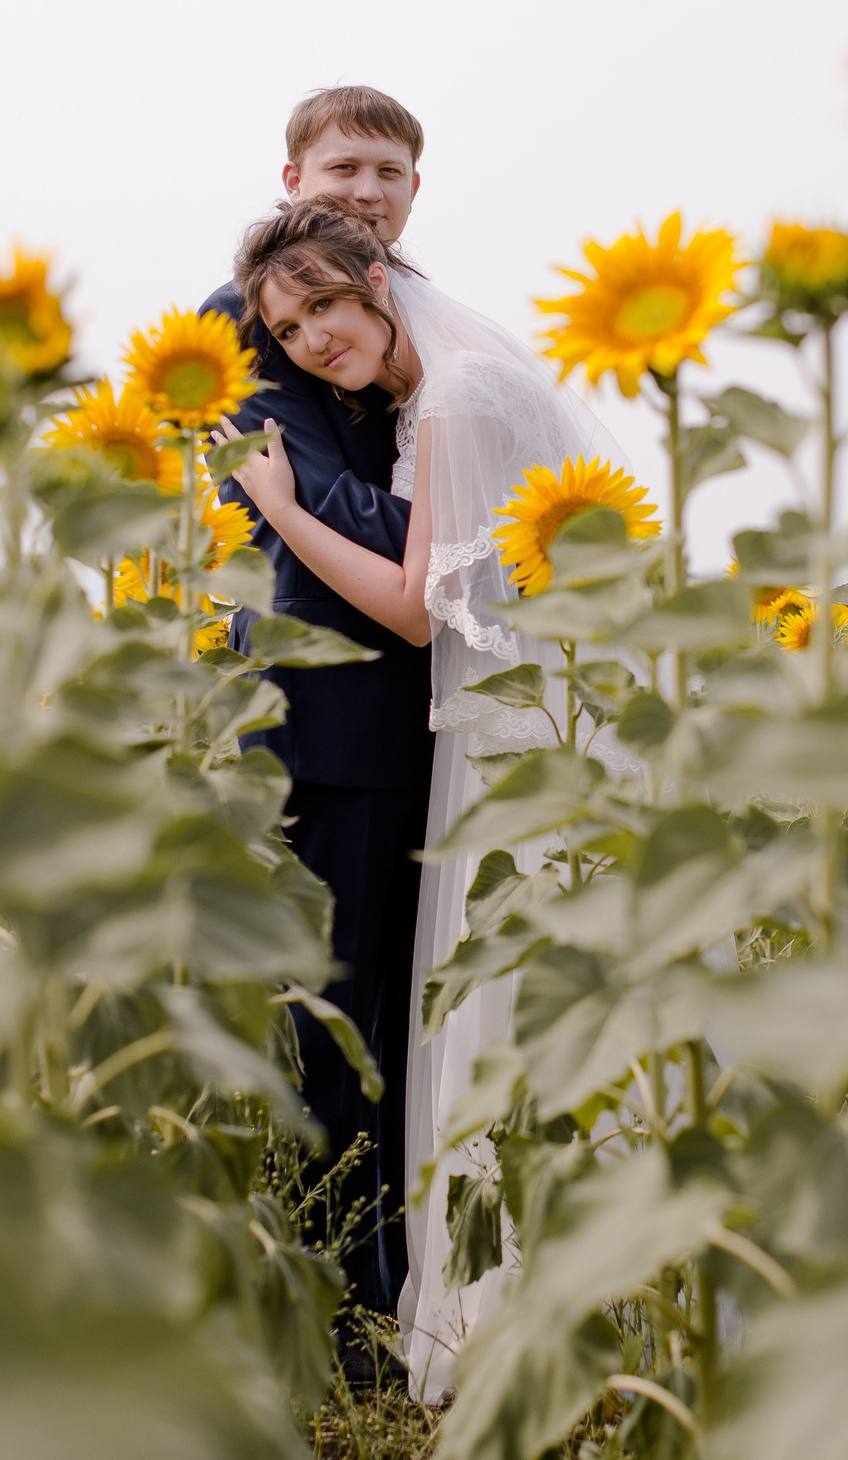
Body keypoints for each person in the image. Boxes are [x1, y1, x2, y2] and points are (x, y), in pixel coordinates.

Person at [216, 193, 628, 1404]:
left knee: (496, 992)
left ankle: (516, 1312)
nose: (307, 343)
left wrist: (281, 506)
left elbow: (410, 603)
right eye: (287, 330)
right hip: (508, 711)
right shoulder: (453, 380)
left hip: (500, 724)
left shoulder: (449, 396)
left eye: (322, 309)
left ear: (378, 281)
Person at [200, 87, 433, 1374]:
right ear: (292, 172)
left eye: (390, 170)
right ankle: (327, 1311)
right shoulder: (239, 322)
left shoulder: (417, 323)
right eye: (345, 163)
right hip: (320, 718)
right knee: (327, 1026)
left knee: (407, 1026)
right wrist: (446, 537)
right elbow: (368, 518)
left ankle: (392, 1287)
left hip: (435, 721)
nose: (367, 186)